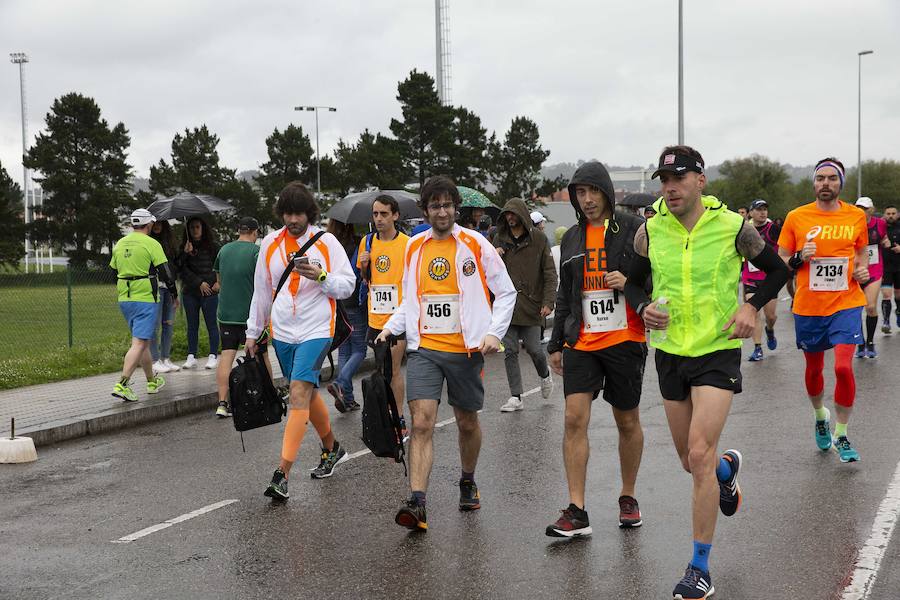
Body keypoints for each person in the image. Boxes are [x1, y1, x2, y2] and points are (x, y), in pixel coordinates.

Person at [624, 146, 789, 600]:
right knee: (689, 460)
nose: (669, 187)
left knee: (698, 453)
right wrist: (643, 305)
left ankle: (699, 568)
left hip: (717, 348)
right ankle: (726, 469)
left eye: (678, 178)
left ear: (700, 180)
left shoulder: (735, 227)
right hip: (671, 351)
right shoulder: (650, 230)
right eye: (663, 179)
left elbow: (777, 270)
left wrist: (750, 306)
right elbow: (632, 280)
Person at [375, 175, 516, 532]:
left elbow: (507, 292)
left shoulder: (475, 244)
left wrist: (493, 333)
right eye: (435, 205)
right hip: (425, 349)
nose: (442, 211)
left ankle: (467, 479)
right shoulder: (415, 247)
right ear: (425, 210)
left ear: (456, 208)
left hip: (467, 350)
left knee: (467, 422)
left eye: (448, 205)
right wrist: (391, 326)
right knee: (421, 422)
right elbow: (412, 300)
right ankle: (417, 502)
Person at [545, 161, 648, 537]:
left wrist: (631, 280)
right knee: (574, 419)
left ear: (606, 191)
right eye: (580, 193)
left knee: (627, 421)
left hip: (626, 338)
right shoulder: (571, 237)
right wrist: (556, 343)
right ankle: (577, 510)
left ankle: (628, 495)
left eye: (593, 191)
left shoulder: (636, 229)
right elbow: (564, 292)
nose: (587, 200)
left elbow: (656, 276)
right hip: (583, 340)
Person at [246, 182, 356, 499]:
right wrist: (254, 333)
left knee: (297, 391)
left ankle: (282, 474)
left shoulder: (327, 242)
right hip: (282, 330)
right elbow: (262, 291)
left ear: (310, 213)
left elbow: (347, 285)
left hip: (317, 328)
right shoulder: (269, 243)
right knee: (304, 391)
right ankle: (332, 447)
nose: (293, 219)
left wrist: (321, 277)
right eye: (288, 213)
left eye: (299, 213)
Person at [777, 157, 868, 464]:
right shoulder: (796, 217)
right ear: (813, 183)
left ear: (840, 183)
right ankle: (820, 415)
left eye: (832, 178)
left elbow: (861, 252)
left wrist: (862, 269)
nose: (825, 183)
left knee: (843, 367)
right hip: (809, 306)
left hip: (846, 302)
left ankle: (841, 434)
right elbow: (782, 261)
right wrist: (801, 257)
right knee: (814, 369)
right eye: (820, 179)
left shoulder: (856, 216)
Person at [492, 198, 556, 411]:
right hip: (507, 307)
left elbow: (549, 273)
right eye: (506, 215)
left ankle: (545, 374)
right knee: (510, 350)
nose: (510, 218)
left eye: (513, 214)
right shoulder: (498, 239)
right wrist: (495, 256)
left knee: (535, 349)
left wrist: (549, 302)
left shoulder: (539, 239)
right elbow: (486, 270)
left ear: (522, 215)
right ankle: (516, 397)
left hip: (532, 305)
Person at [109, 209, 178, 402]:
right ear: (148, 225)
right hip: (146, 297)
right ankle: (122, 383)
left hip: (125, 297)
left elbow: (114, 271)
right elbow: (165, 272)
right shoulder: (152, 243)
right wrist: (174, 293)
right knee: (138, 343)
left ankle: (151, 381)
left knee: (143, 341)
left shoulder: (120, 243)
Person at [355, 194, 410, 429]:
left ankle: (398, 417)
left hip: (397, 318)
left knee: (393, 368)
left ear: (395, 215)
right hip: (375, 315)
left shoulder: (408, 244)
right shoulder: (367, 242)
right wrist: (365, 266)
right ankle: (384, 413)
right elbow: (365, 279)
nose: (379, 219)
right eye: (375, 214)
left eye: (384, 214)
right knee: (381, 368)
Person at [212, 217, 272, 418]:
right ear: (254, 233)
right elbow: (264, 283)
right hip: (250, 318)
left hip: (226, 315)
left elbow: (218, 281)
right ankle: (267, 396)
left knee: (226, 356)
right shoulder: (257, 252)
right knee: (261, 356)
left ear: (239, 231)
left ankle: (222, 403)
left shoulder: (224, 250)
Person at [325, 218, 366, 413]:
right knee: (360, 350)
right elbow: (358, 272)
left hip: (337, 302)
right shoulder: (357, 243)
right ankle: (340, 382)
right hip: (353, 301)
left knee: (344, 351)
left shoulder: (329, 244)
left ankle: (347, 398)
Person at [742, 199, 782, 361]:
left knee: (770, 316)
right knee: (754, 313)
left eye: (765, 209)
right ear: (751, 213)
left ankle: (770, 330)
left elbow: (786, 244)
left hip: (769, 279)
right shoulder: (744, 229)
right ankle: (758, 348)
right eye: (759, 209)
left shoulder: (773, 229)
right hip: (750, 278)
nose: (763, 212)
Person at [179, 217, 220, 370]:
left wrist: (218, 282)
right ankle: (191, 356)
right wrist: (185, 254)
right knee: (192, 325)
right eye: (192, 228)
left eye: (197, 227)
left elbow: (220, 265)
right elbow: (181, 269)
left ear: (203, 228)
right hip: (190, 292)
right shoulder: (184, 247)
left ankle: (213, 355)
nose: (195, 230)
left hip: (210, 292)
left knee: (211, 324)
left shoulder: (213, 246)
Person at [853, 197, 889, 357]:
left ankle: (870, 342)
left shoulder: (880, 223)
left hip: (874, 269)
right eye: (859, 207)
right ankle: (860, 343)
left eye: (864, 208)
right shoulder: (850, 224)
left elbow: (884, 238)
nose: (861, 211)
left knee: (870, 307)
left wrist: (886, 242)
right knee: (855, 309)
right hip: (855, 269)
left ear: (871, 210)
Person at [148, 220, 181, 374]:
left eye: (160, 223)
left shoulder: (170, 244)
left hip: (169, 287)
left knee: (168, 324)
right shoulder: (149, 243)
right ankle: (155, 359)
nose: (157, 226)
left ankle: (165, 357)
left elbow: (175, 265)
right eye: (154, 223)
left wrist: (186, 252)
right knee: (154, 325)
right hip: (156, 288)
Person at [881, 205, 900, 333]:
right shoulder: (880, 227)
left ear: (897, 214)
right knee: (886, 295)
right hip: (885, 267)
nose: (891, 216)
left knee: (898, 295)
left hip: (899, 267)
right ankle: (886, 321)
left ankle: (898, 313)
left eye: (893, 213)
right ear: (884, 214)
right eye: (888, 213)